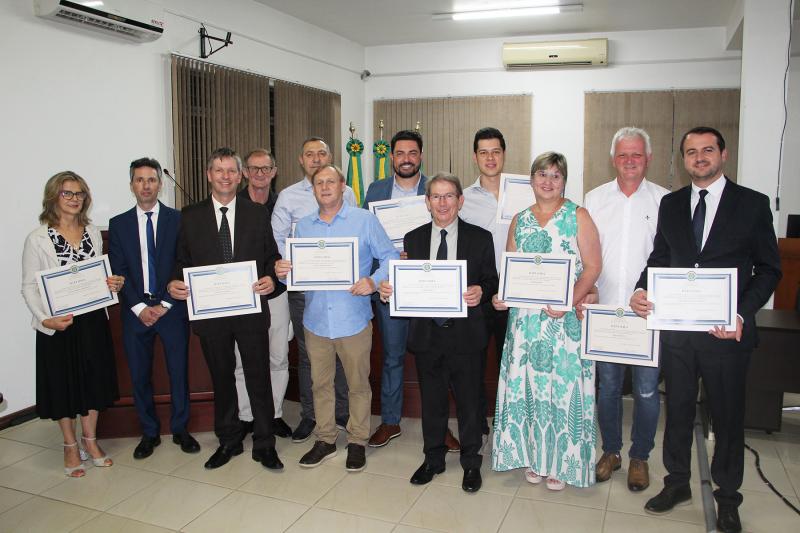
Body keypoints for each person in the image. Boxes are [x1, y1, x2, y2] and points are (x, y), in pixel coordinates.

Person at [630, 127, 781, 533]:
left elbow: (769, 269)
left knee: (728, 417)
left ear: (723, 155)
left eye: (707, 150)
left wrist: (742, 313)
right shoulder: (672, 203)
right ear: (683, 159)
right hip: (678, 333)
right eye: (692, 152)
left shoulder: (752, 204)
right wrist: (640, 289)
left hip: (725, 334)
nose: (700, 158)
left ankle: (728, 498)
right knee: (677, 411)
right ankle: (677, 482)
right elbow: (661, 255)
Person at [379, 173, 498, 493]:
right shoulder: (413, 238)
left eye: (449, 196)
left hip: (466, 335)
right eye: (436, 197)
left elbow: (492, 280)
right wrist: (392, 289)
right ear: (427, 202)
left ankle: (471, 463)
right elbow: (409, 282)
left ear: (460, 201)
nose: (443, 203)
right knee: (432, 402)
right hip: (428, 335)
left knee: (470, 404)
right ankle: (433, 458)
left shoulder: (480, 237)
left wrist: (480, 291)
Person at [276, 165, 398, 472]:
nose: (325, 187)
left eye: (331, 181)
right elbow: (298, 269)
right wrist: (284, 270)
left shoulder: (364, 220)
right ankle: (326, 439)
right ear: (313, 189)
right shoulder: (303, 227)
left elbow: (390, 257)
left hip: (353, 319)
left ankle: (357, 441)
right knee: (321, 384)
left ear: (342, 186)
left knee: (358, 385)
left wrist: (372, 281)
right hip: (316, 319)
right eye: (319, 183)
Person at [168, 147, 283, 471]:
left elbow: (271, 258)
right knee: (222, 378)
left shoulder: (256, 213)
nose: (225, 176)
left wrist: (270, 278)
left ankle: (264, 443)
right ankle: (229, 440)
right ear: (209, 175)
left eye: (231, 171)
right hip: (212, 314)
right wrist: (173, 283)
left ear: (240, 175)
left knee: (258, 379)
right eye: (219, 171)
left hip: (250, 310)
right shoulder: (189, 216)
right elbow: (181, 262)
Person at [492, 152, 602, 491]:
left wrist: (570, 300)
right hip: (525, 324)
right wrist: (503, 295)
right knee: (529, 389)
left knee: (562, 391)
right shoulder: (519, 220)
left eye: (556, 175)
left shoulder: (578, 216)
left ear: (564, 181)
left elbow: (594, 266)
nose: (548, 181)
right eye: (542, 174)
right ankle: (534, 458)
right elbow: (510, 269)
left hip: (565, 323)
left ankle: (561, 463)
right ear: (532, 179)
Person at [21, 171, 124, 477]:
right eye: (68, 194)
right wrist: (45, 318)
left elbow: (94, 276)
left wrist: (112, 283)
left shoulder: (91, 231)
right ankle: (69, 445)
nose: (75, 199)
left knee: (94, 381)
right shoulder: (37, 238)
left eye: (79, 194)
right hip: (59, 324)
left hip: (92, 319)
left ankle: (90, 440)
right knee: (63, 385)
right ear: (54, 197)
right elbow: (28, 286)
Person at [583, 127, 668, 491]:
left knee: (648, 391)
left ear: (648, 158)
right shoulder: (594, 198)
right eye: (623, 155)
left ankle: (640, 458)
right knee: (608, 389)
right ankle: (612, 451)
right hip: (604, 311)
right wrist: (586, 291)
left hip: (647, 314)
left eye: (636, 155)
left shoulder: (667, 201)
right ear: (613, 159)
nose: (629, 161)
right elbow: (585, 253)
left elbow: (670, 259)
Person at [364, 130, 458, 451]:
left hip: (425, 286)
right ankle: (390, 420)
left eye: (412, 153)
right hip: (390, 286)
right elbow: (367, 239)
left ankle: (440, 426)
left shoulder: (435, 189)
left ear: (421, 156)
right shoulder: (375, 190)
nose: (406, 158)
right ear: (391, 157)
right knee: (392, 356)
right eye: (400, 153)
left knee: (435, 358)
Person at [108, 158, 200, 460]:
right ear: (131, 185)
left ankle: (180, 429)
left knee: (178, 372)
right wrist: (137, 306)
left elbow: (183, 262)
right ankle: (149, 432)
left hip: (171, 309)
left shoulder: (179, 219)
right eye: (139, 179)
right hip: (135, 312)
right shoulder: (118, 224)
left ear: (160, 184)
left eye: (151, 179)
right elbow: (119, 269)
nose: (145, 185)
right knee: (139, 374)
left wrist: (164, 304)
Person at [271, 137, 355, 442]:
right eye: (310, 154)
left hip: (342, 289)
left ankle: (342, 412)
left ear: (330, 157)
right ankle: (311, 415)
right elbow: (278, 238)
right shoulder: (288, 196)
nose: (316, 158)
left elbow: (354, 235)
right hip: (305, 290)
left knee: (343, 351)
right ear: (300, 160)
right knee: (309, 354)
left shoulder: (348, 192)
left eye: (322, 153)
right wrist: (293, 266)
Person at [233, 148, 293, 438]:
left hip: (277, 292)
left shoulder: (284, 204)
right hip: (242, 295)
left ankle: (276, 413)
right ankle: (246, 415)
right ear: (244, 172)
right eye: (253, 168)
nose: (259, 174)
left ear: (274, 171)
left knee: (278, 356)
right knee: (242, 359)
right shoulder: (232, 205)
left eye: (265, 169)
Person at [460, 127, 512, 438]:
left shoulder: (524, 191)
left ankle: (508, 424)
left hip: (515, 293)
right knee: (474, 365)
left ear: (504, 154)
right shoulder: (464, 199)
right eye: (483, 152)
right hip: (478, 292)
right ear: (475, 156)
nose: (490, 158)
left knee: (512, 365)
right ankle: (477, 423)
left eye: (495, 151)